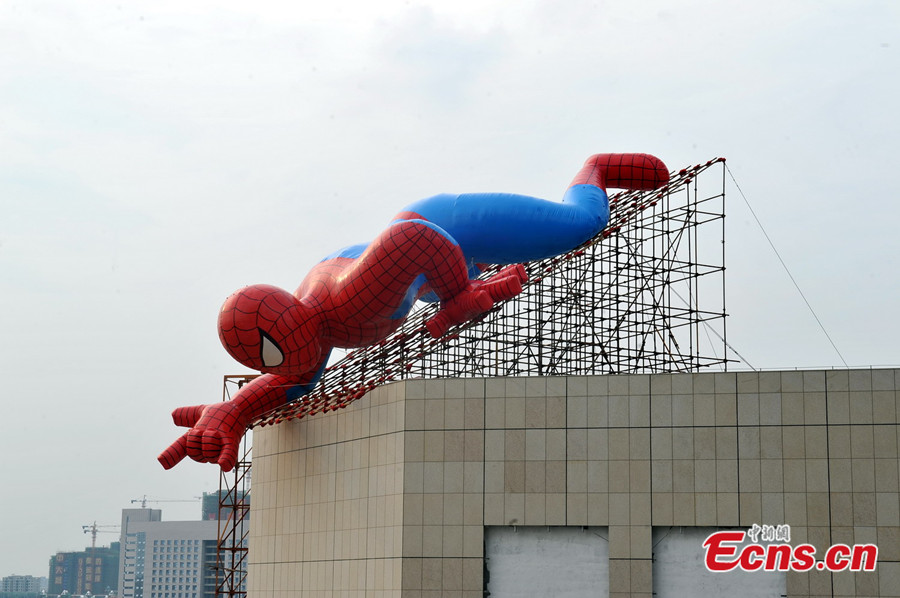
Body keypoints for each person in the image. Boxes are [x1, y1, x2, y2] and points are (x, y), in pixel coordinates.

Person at [158, 153, 669, 470]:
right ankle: (452, 280)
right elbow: (289, 382)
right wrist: (231, 414)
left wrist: (458, 296)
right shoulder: (306, 342)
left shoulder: (348, 301)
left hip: (444, 224)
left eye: (271, 351)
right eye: (264, 362)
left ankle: (594, 170)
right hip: (404, 269)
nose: (280, 369)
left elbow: (414, 240)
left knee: (575, 228)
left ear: (289, 320)